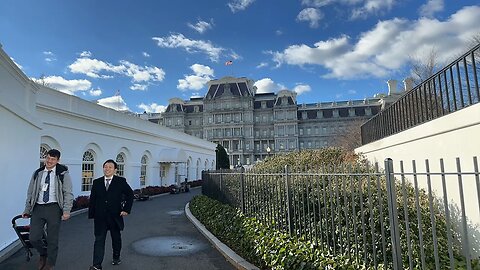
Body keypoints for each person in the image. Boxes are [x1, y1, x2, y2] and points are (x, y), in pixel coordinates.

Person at [23, 149, 74, 270]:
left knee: (52, 238)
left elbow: (68, 193)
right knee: (33, 237)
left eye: (53, 159)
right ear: (46, 158)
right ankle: (43, 254)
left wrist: (66, 210)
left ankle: (50, 263)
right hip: (38, 207)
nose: (50, 161)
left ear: (57, 160)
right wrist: (27, 209)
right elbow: (30, 192)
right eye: (48, 158)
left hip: (54, 208)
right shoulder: (38, 173)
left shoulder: (63, 174)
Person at [88, 159, 134, 270]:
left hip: (115, 216)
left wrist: (126, 209)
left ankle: (116, 257)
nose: (107, 169)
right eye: (105, 167)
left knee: (116, 239)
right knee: (99, 240)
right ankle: (96, 265)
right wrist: (92, 214)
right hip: (100, 218)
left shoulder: (120, 181)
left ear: (115, 170)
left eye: (110, 167)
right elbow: (93, 199)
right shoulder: (97, 182)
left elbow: (130, 194)